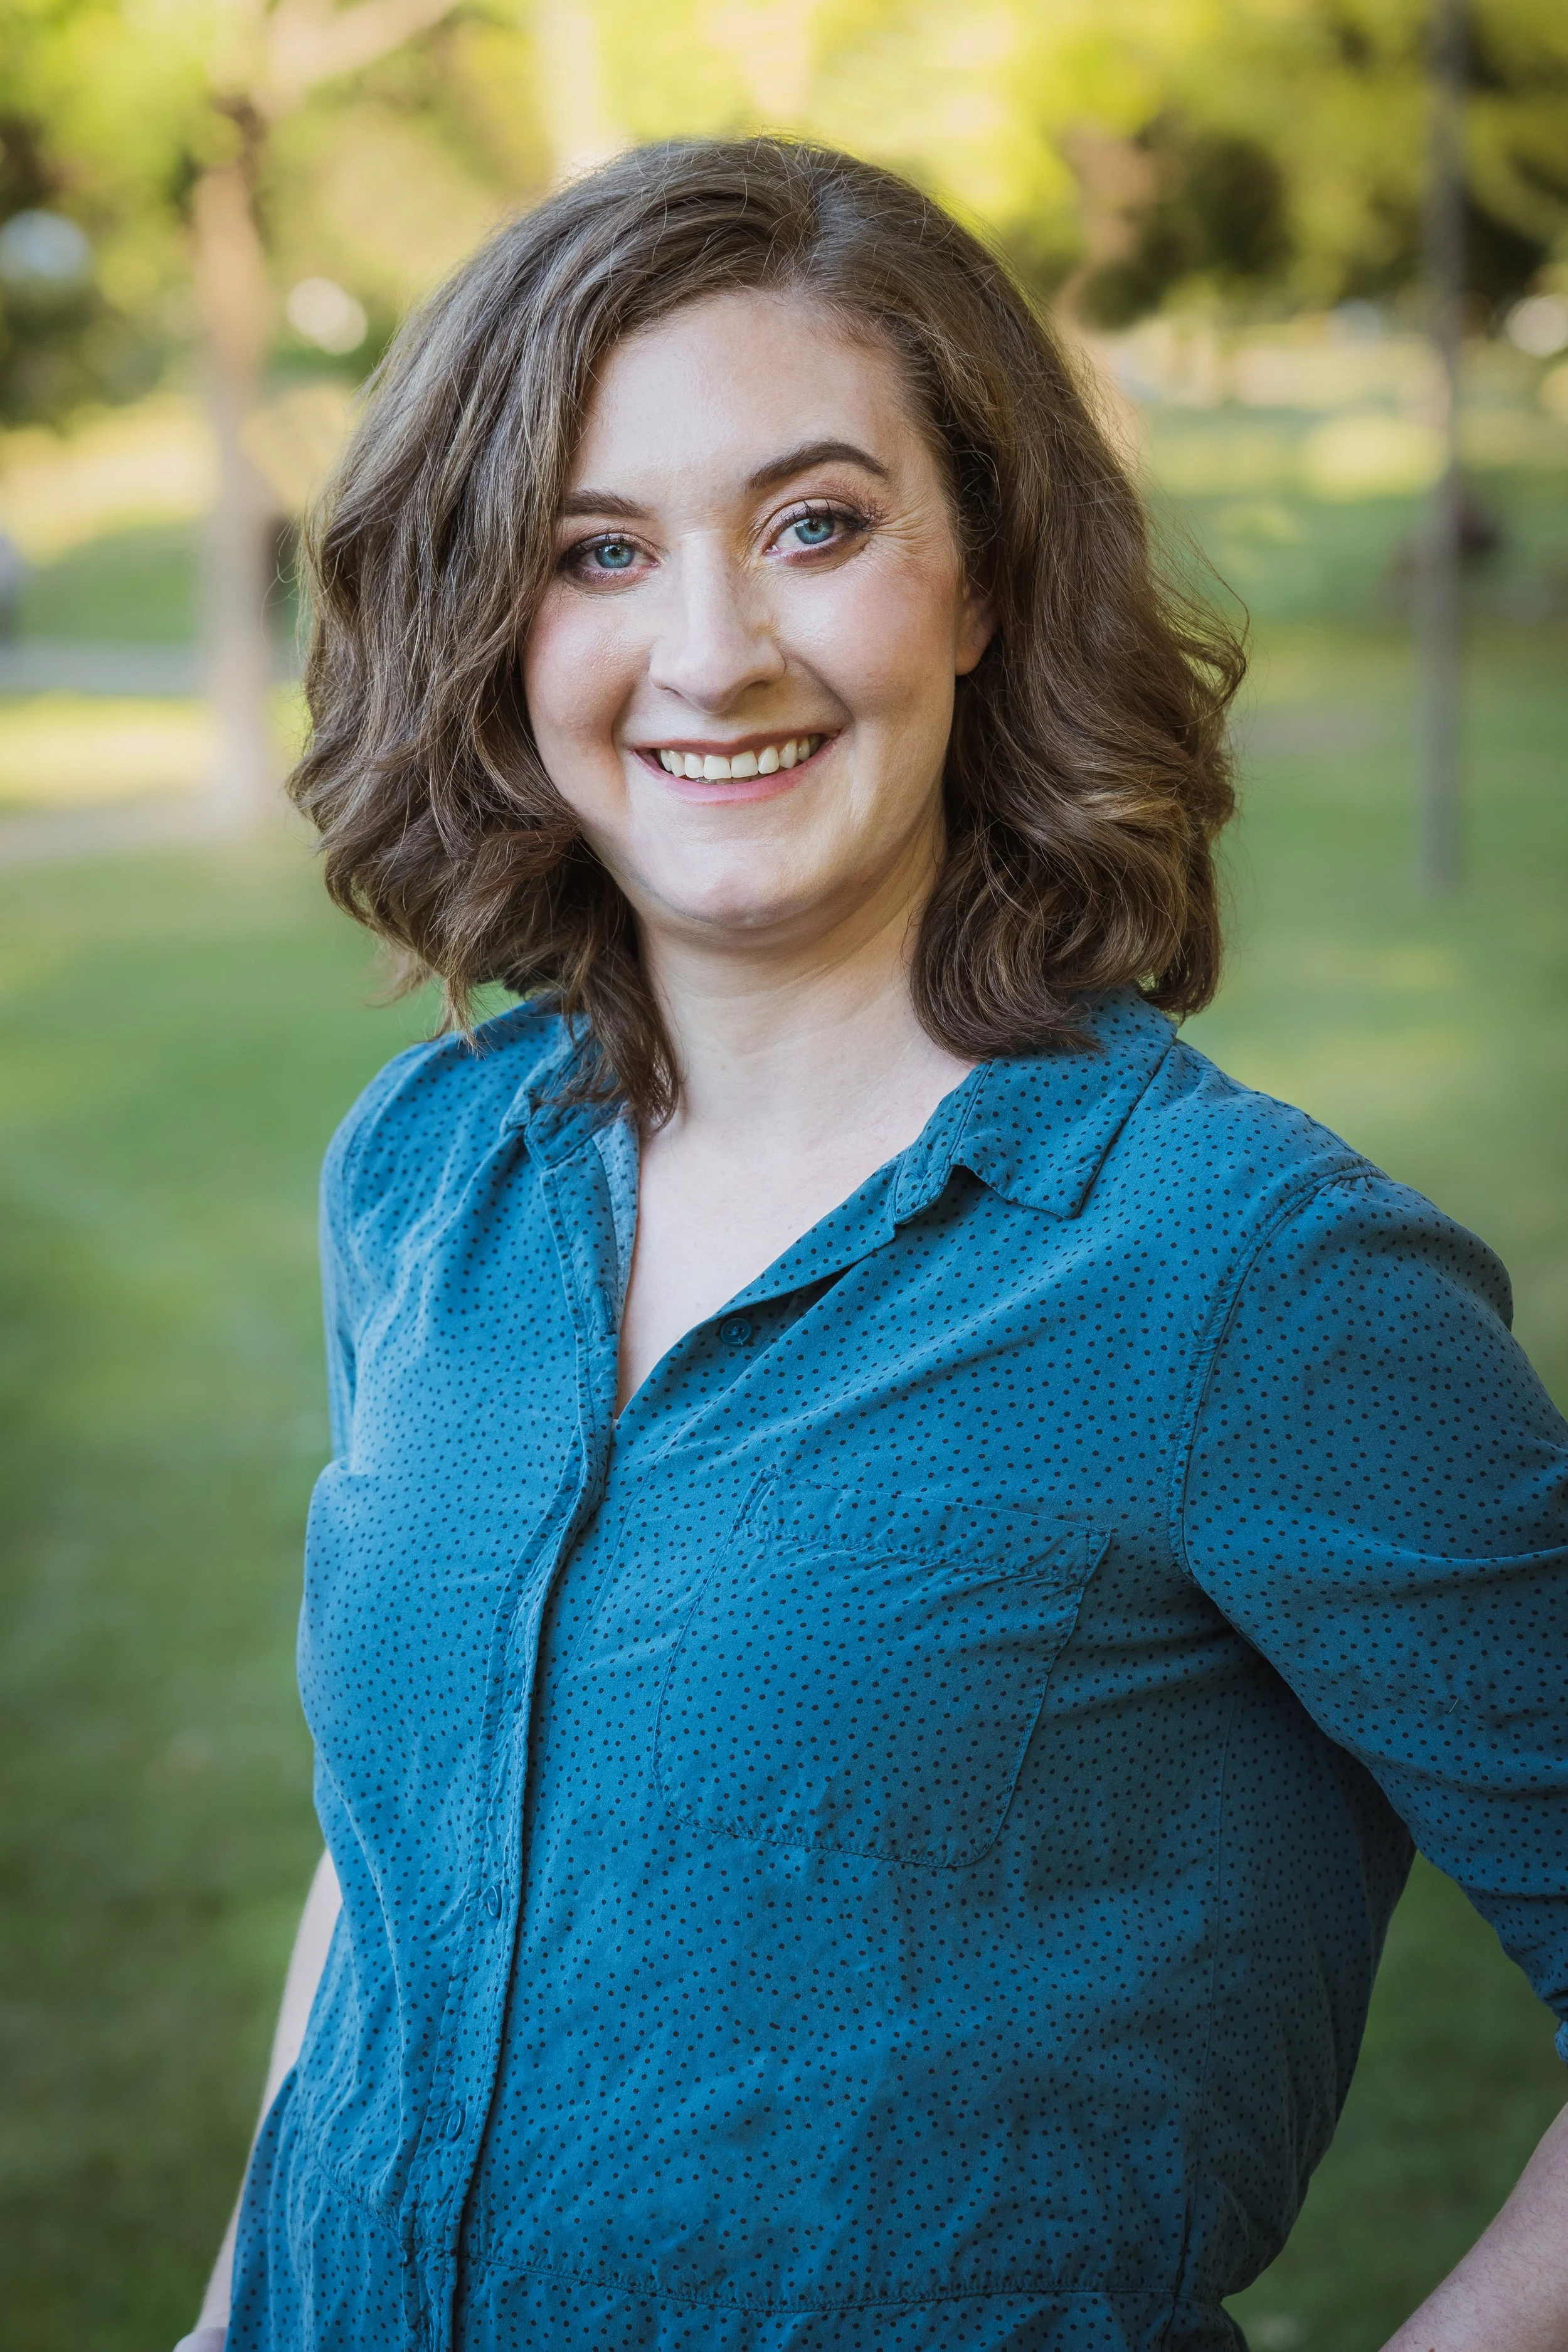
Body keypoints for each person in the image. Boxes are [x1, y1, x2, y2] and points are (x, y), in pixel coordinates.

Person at [180, 139, 1568, 2352]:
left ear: (984, 580)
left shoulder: (1239, 1278)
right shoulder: (433, 1168)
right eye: (596, 551)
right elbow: (400, 1844)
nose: (709, 652)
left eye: (814, 526)